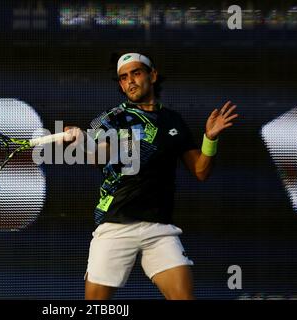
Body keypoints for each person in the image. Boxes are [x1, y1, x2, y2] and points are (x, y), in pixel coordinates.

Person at [64, 53, 238, 300]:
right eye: (123, 78)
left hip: (159, 229)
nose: (130, 82)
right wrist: (82, 140)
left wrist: (210, 138)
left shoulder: (173, 120)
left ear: (152, 75)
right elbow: (98, 154)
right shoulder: (111, 119)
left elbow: (200, 171)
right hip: (116, 225)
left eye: (136, 73)